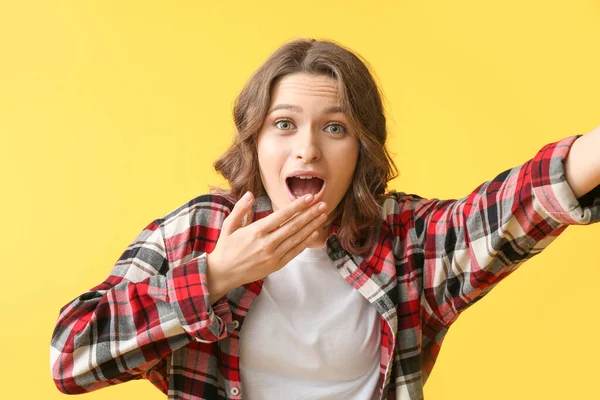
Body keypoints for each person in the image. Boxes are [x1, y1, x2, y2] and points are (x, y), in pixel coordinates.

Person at [50, 38, 600, 400]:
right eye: (284, 124)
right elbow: (70, 356)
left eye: (334, 128)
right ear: (255, 140)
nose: (307, 150)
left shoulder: (404, 240)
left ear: (362, 148)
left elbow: (515, 204)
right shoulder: (199, 232)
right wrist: (215, 275)